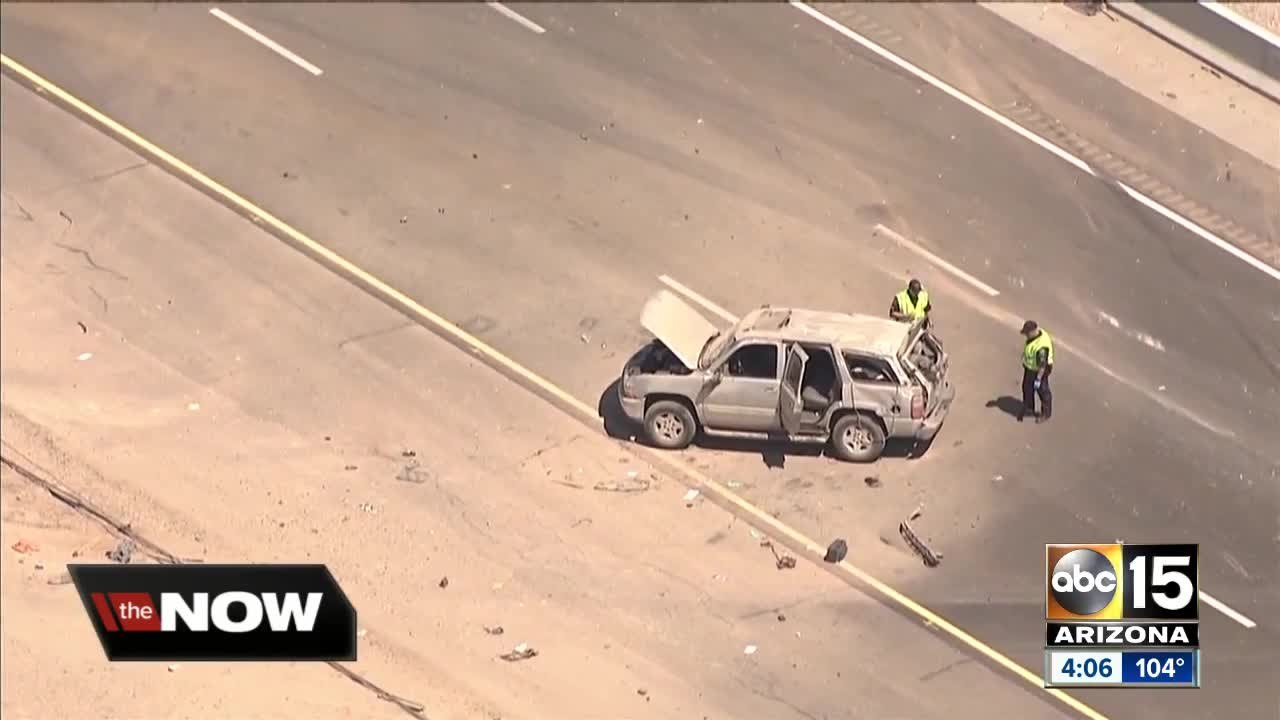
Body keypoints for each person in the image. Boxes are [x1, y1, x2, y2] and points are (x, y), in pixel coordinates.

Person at [1019, 320, 1054, 423]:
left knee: (1043, 391)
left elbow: (1042, 366)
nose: (1026, 336)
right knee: (1027, 387)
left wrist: (1038, 379)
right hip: (1030, 368)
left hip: (1040, 370)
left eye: (1027, 333)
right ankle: (1029, 407)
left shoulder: (1041, 347)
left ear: (1033, 331)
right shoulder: (1035, 335)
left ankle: (1046, 414)